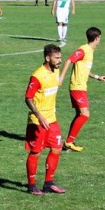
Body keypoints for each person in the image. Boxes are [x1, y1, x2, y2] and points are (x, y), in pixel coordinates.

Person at [58, 27, 105, 152]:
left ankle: (68, 142)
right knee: (85, 114)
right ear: (97, 38)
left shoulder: (90, 51)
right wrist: (60, 78)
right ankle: (69, 142)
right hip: (77, 87)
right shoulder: (83, 50)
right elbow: (69, 60)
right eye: (100, 38)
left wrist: (97, 77)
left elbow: (85, 70)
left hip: (81, 86)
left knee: (79, 115)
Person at [24, 44, 66, 195]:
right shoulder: (37, 75)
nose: (59, 60)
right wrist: (39, 115)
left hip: (52, 119)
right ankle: (31, 185)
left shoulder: (56, 70)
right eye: (56, 58)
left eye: (60, 57)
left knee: (56, 148)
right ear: (47, 58)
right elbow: (28, 98)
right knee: (36, 153)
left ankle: (49, 183)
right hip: (38, 122)